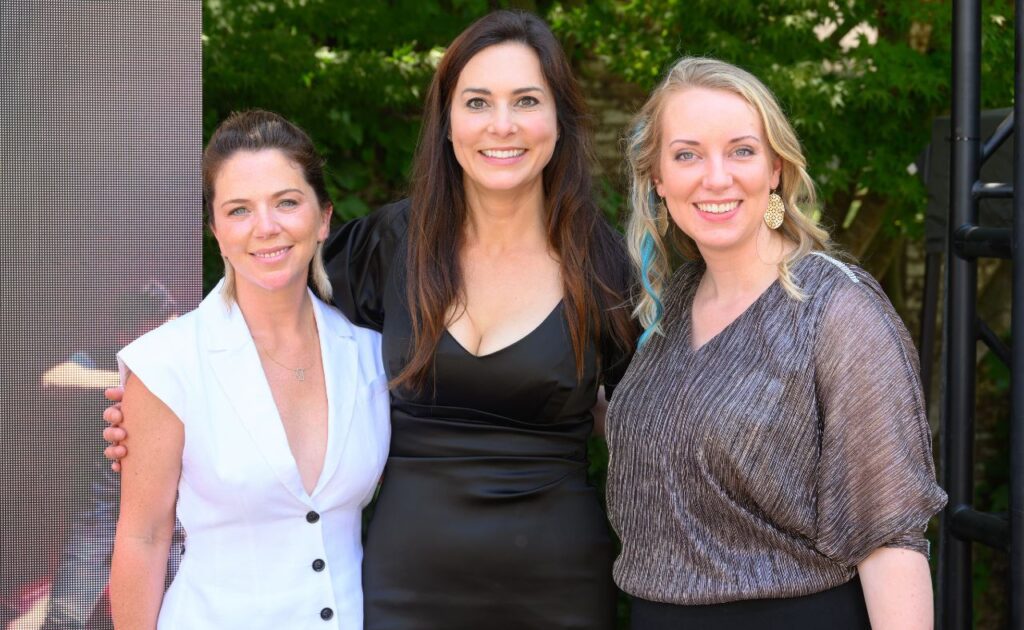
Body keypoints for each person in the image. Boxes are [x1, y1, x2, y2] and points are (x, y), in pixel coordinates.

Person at [105, 10, 635, 629]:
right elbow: (268, 286)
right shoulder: (387, 245)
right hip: (404, 589)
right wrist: (163, 399)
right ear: (446, 121)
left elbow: (642, 418)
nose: (502, 125)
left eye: (526, 100)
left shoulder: (604, 266)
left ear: (559, 118)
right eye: (477, 101)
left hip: (558, 584)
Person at [605, 56, 947, 629]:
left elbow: (889, 535)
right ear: (658, 180)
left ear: (775, 171)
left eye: (741, 151)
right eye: (687, 154)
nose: (716, 177)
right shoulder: (670, 305)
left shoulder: (837, 308)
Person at [109, 110, 390, 629]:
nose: (267, 227)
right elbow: (142, 540)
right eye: (239, 210)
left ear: (323, 217)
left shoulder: (370, 356)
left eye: (286, 202)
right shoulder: (166, 364)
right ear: (215, 230)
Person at [41, 282, 182, 630]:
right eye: (150, 332)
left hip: (175, 511)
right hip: (106, 509)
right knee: (65, 618)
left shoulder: (186, 362)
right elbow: (55, 377)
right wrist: (134, 383)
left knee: (182, 612)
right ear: (126, 332)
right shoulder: (104, 357)